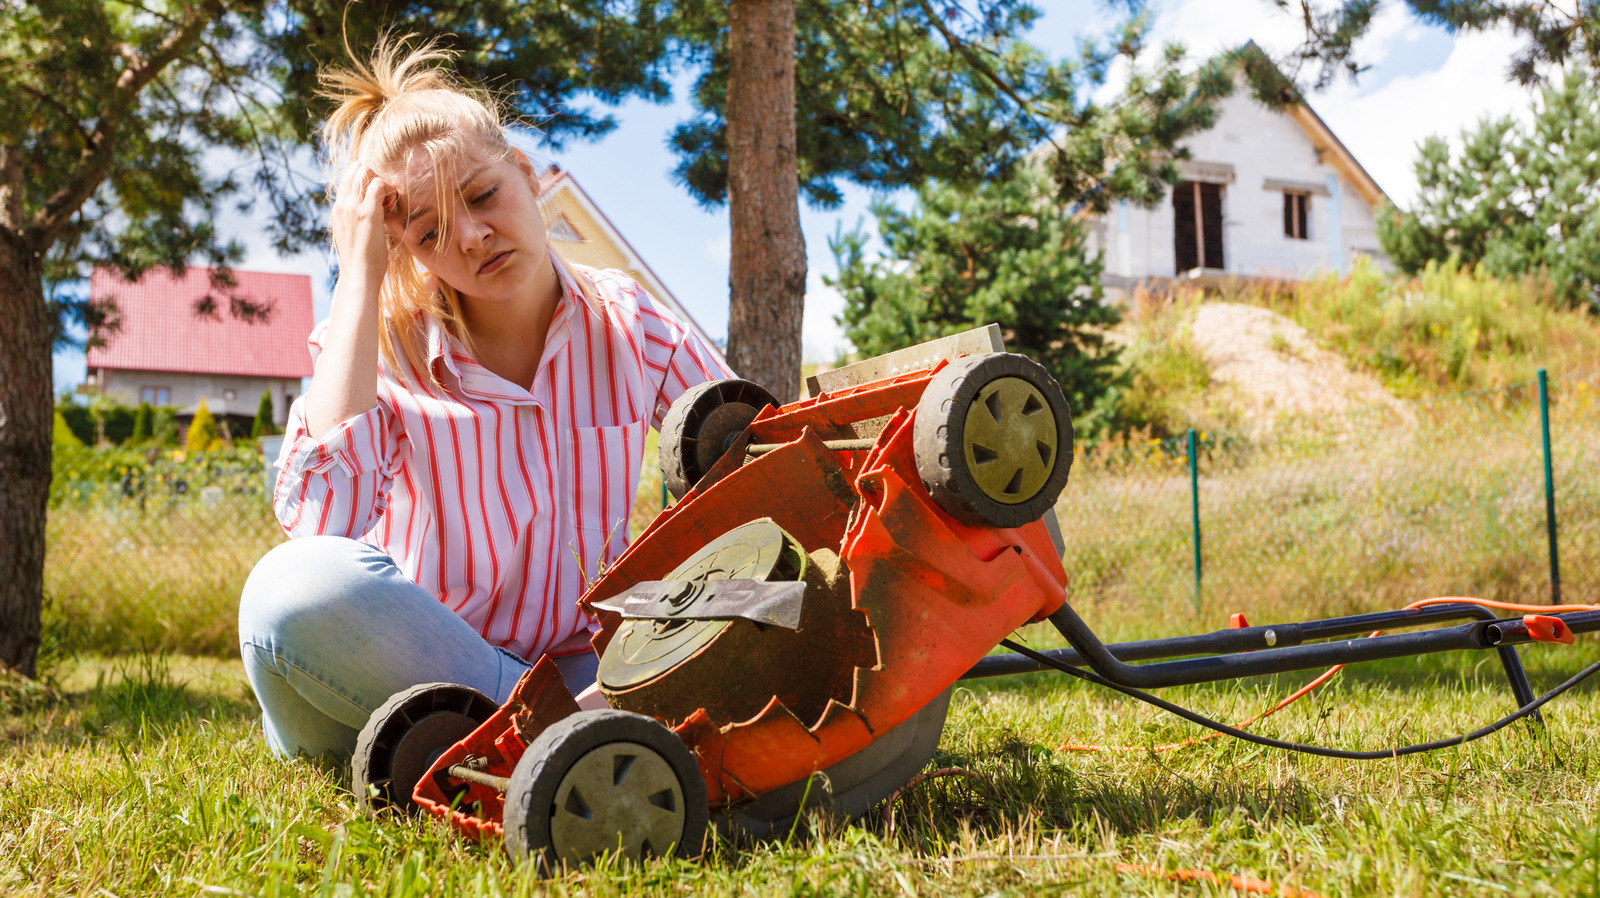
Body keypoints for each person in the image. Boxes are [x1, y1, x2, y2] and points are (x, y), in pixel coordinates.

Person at [237, 38, 733, 759]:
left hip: (591, 665)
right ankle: (570, 738)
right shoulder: (380, 347)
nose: (471, 236)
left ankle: (527, 743)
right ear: (404, 248)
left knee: (763, 600)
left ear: (525, 174)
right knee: (288, 591)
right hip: (407, 680)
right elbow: (321, 526)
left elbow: (756, 462)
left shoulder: (630, 322)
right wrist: (359, 275)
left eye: (482, 195)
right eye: (431, 230)